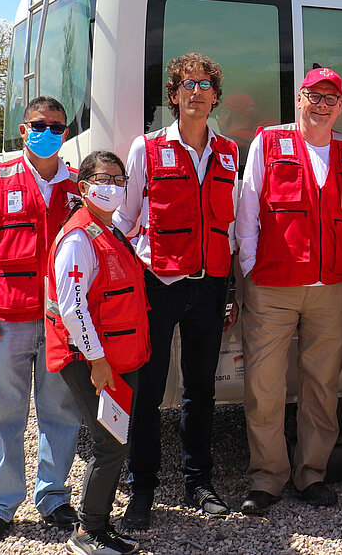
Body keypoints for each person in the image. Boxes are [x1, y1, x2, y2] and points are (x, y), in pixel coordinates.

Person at [235, 67, 342, 516]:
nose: (322, 105)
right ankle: (268, 478)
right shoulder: (270, 142)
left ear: (340, 107)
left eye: (331, 98)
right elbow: (249, 205)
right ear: (299, 99)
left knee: (322, 386)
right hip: (272, 285)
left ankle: (311, 473)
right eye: (314, 95)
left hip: (333, 287)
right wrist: (251, 267)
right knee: (264, 386)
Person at [115, 53, 239, 528]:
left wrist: (228, 290)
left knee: (201, 390)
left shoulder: (228, 150)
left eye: (206, 84)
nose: (198, 91)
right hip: (158, 284)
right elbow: (127, 220)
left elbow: (230, 229)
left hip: (209, 287)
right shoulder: (145, 148)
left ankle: (197, 481)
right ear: (174, 94)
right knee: (146, 391)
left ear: (215, 96)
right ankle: (141, 486)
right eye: (188, 83)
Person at [0, 96, 81, 546]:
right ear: (23, 129)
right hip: (5, 320)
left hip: (59, 323)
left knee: (61, 413)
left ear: (65, 133)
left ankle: (53, 497)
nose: (47, 131)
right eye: (38, 124)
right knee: (5, 416)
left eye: (57, 126)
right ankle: (1, 506)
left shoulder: (77, 185)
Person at [46, 151, 150, 555]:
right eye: (102, 179)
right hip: (92, 362)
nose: (112, 187)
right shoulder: (79, 237)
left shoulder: (111, 231)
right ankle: (88, 534)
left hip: (118, 359)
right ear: (83, 186)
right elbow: (73, 309)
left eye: (119, 179)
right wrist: (99, 361)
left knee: (116, 441)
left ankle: (100, 527)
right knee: (110, 445)